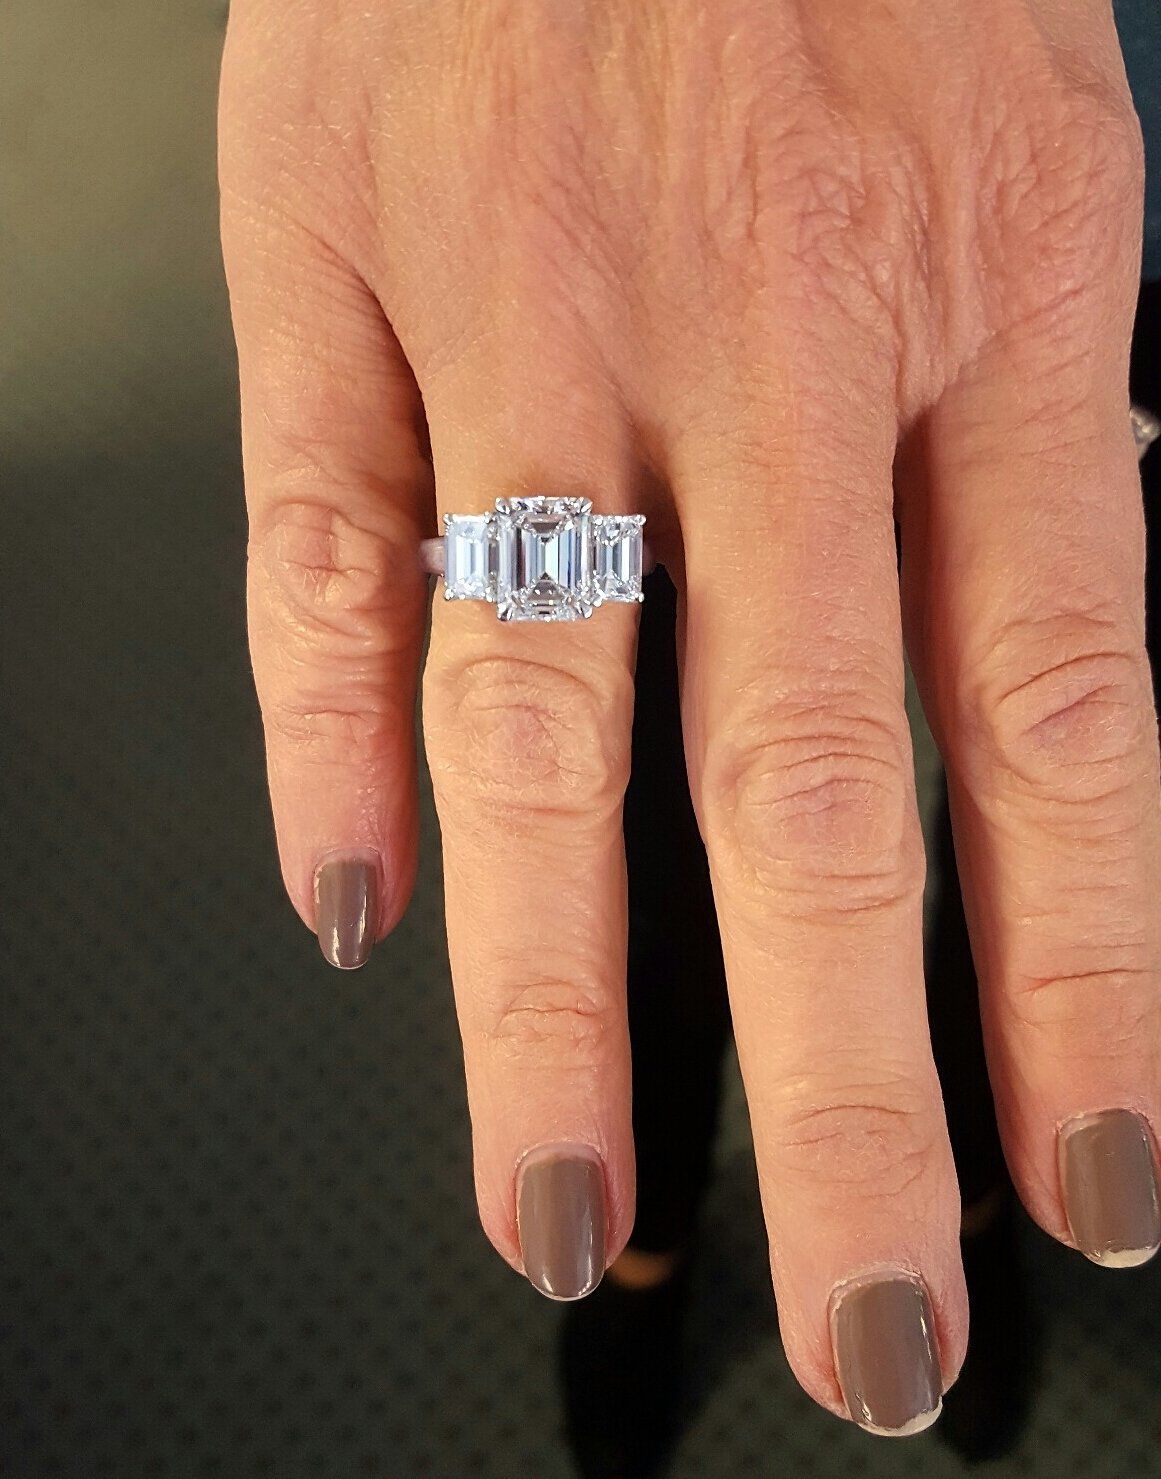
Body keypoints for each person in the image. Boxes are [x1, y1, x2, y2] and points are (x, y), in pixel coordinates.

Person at [219, 0, 1161, 1458]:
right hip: (578, 140)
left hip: (1113, 151)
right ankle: (641, 1243)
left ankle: (977, 1180)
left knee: (1051, 755)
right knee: (653, 786)